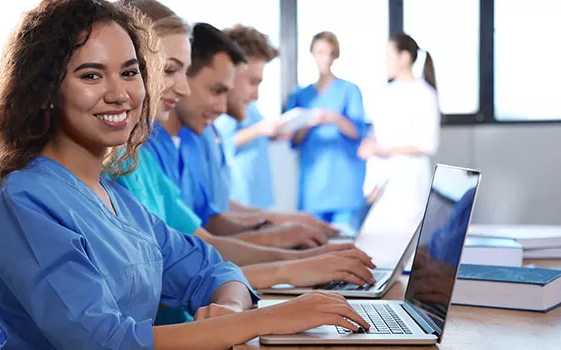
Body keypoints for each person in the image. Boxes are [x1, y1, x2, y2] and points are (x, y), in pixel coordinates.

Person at [0, 1, 369, 348]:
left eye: (130, 72)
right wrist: (269, 320)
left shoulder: (113, 197)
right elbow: (103, 343)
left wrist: (231, 309)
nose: (119, 92)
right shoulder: (25, 201)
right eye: (91, 75)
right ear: (45, 90)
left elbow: (213, 270)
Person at [115, 0, 375, 325]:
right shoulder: (136, 159)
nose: (179, 88)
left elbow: (197, 254)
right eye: (169, 71)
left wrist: (297, 258)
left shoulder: (141, 160)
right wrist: (293, 263)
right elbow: (188, 263)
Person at [148, 22, 337, 248]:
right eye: (252, 82)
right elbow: (193, 247)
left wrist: (280, 228)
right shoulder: (163, 144)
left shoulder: (191, 136)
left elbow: (209, 219)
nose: (255, 95)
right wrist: (277, 239)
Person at [357, 32, 440, 235]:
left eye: (389, 55)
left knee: (402, 245)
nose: (385, 61)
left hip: (409, 182)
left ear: (404, 58)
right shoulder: (385, 92)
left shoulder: (424, 94)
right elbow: (379, 134)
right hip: (381, 183)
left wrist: (381, 149)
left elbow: (427, 144)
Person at [285, 31, 368, 225]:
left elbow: (358, 132)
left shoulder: (349, 90)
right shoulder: (301, 95)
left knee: (347, 241)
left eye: (329, 53)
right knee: (311, 240)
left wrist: (335, 118)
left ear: (335, 56)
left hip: (344, 181)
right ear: (312, 54)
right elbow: (293, 139)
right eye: (320, 52)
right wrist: (309, 121)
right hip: (313, 183)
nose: (324, 58)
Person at [213, 25, 284, 209]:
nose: (256, 95)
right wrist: (260, 130)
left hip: (255, 191)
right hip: (240, 188)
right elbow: (226, 142)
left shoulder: (247, 107)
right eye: (253, 82)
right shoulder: (216, 119)